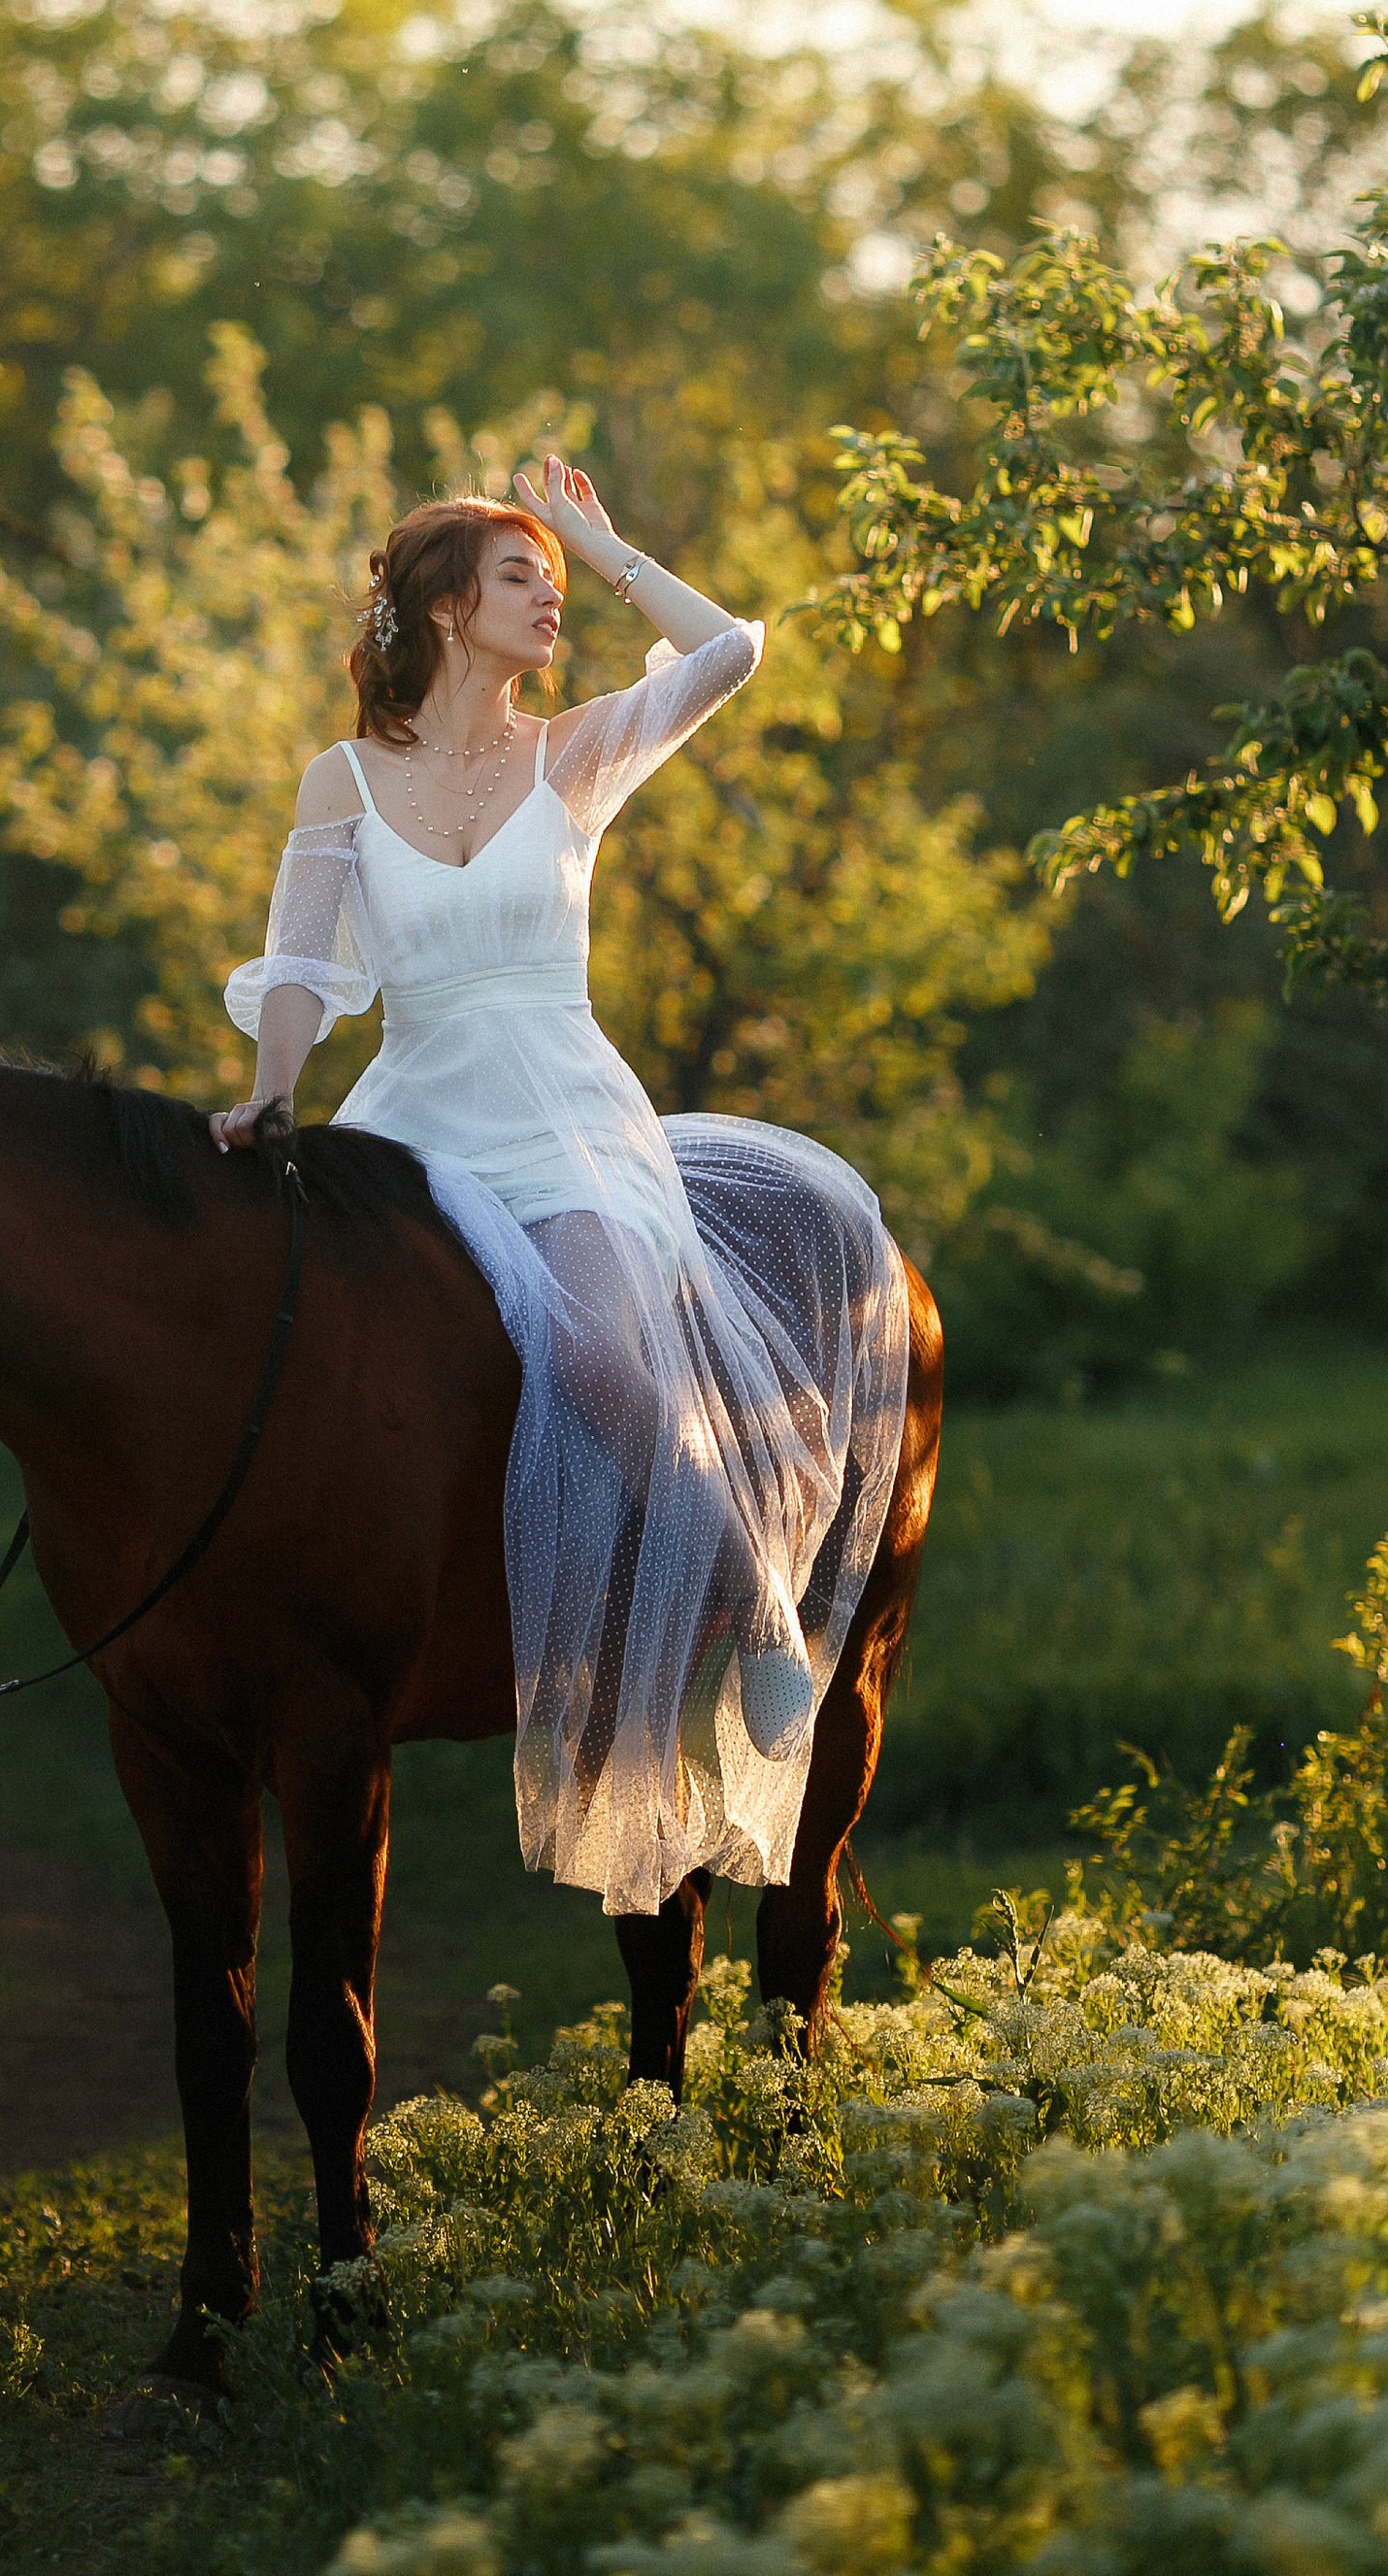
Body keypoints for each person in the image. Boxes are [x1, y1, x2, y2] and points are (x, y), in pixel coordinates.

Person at [214, 455, 910, 1921]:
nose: (552, 603)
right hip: (415, 1122)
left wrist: (600, 545)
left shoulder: (576, 753)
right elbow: (299, 966)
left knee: (595, 1350)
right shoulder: (344, 780)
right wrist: (271, 1096)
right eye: (521, 578)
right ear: (446, 610)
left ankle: (758, 1605)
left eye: (554, 580)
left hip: (566, 1124)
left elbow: (730, 652)